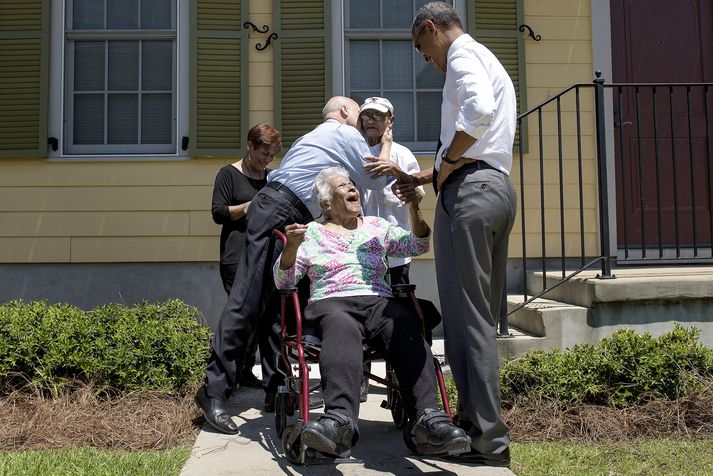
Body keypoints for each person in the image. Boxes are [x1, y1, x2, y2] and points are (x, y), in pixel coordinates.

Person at [195, 96, 407, 435]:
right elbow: (376, 179)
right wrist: (386, 143)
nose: (362, 122)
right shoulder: (343, 133)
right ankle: (212, 392)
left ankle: (275, 390)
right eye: (358, 114)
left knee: (277, 309)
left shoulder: (308, 141)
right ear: (343, 112)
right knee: (246, 301)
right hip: (279, 211)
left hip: (285, 213)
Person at [274, 166, 470, 459]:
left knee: (404, 326)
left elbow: (418, 245)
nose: (353, 188)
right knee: (340, 328)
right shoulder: (310, 233)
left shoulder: (377, 226)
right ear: (327, 203)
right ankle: (339, 420)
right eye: (343, 186)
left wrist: (415, 207)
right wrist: (291, 248)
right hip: (332, 301)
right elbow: (284, 282)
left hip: (378, 300)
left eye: (352, 184)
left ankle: (428, 419)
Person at [403, 2, 518, 467]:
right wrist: (430, 176)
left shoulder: (463, 56)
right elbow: (483, 144)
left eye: (421, 47)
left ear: (432, 28)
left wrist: (447, 163)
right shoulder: (487, 59)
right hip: (494, 189)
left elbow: (478, 113)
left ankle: (486, 438)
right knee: (479, 317)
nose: (425, 59)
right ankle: (474, 424)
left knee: (466, 318)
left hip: (470, 194)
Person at [358, 96, 425, 402]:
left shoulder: (402, 154)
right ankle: (359, 374)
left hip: (395, 252)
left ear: (390, 122)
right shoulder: (354, 151)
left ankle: (395, 380)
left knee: (397, 316)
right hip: (360, 253)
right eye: (366, 115)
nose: (370, 120)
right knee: (360, 313)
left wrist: (397, 170)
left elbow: (417, 193)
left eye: (378, 116)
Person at [211, 123, 281, 392]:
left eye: (271, 155)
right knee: (243, 317)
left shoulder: (272, 178)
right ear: (250, 146)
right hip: (236, 256)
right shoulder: (228, 174)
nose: (267, 160)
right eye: (263, 153)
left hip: (266, 255)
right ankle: (230, 374)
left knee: (267, 317)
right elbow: (218, 213)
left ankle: (256, 374)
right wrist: (249, 207)